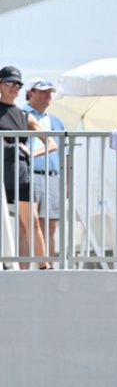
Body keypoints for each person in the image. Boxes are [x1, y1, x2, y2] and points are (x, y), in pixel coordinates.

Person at [0, 65, 49, 268]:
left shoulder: (24, 116)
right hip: (1, 172)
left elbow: (50, 141)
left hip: (20, 172)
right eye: (9, 82)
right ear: (1, 85)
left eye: (18, 84)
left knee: (32, 222)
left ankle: (45, 267)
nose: (14, 87)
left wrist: (33, 152)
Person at [23, 78, 65, 258]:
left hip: (53, 177)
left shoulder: (57, 122)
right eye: (43, 91)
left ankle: (48, 269)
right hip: (28, 174)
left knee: (51, 225)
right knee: (28, 224)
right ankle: (24, 269)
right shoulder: (20, 115)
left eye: (50, 92)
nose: (48, 95)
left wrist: (67, 183)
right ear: (30, 93)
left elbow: (64, 154)